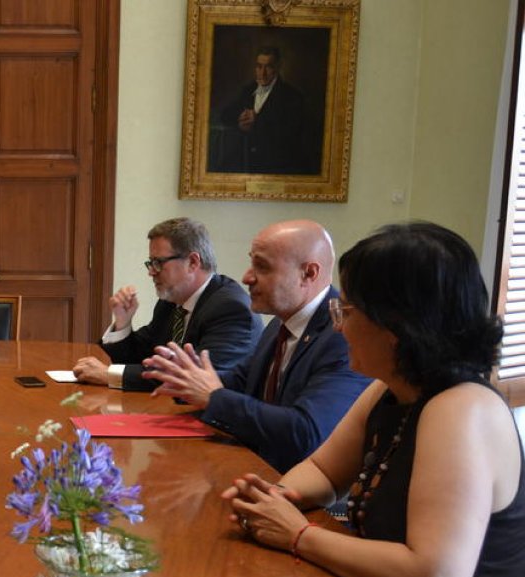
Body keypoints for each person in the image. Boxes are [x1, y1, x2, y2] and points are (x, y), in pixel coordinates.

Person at [221, 222, 525, 577]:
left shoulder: (461, 410)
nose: (339, 327)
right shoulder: (390, 390)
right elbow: (324, 472)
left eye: (347, 312)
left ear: (396, 326)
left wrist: (298, 534)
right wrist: (275, 499)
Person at [142, 219, 369, 472]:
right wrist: (188, 378)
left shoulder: (343, 335)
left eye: (261, 267)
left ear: (309, 273)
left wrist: (213, 397)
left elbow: (305, 432)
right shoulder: (279, 325)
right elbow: (242, 382)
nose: (247, 277)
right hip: (255, 468)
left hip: (304, 492)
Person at [73, 217, 260, 390]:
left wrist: (109, 375)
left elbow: (192, 378)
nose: (152, 272)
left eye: (158, 263)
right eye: (150, 263)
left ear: (193, 262)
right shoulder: (171, 302)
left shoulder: (231, 309)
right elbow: (140, 356)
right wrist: (123, 322)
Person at [215, 46, 312, 175]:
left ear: (277, 67)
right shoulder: (248, 90)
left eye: (268, 67)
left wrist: (257, 121)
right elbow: (225, 115)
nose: (262, 73)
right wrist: (240, 119)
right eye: (259, 66)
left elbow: (290, 135)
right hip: (246, 163)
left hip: (275, 166)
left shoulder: (292, 96)